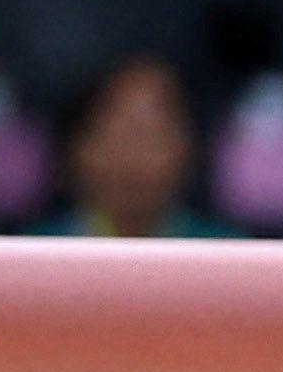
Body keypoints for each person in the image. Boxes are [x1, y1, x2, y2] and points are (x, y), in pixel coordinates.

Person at [28, 55, 230, 239]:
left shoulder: (227, 252)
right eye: (116, 136)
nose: (131, 158)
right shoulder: (32, 250)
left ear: (188, 148)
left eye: (149, 136)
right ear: (76, 146)